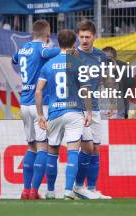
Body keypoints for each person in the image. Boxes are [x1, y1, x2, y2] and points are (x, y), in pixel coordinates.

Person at [35, 29, 92, 200]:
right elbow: (85, 89)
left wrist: (40, 115)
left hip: (55, 112)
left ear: (57, 43)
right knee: (73, 150)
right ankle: (68, 191)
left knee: (52, 150)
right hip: (74, 111)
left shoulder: (49, 64)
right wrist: (89, 111)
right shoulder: (78, 63)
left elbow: (38, 91)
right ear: (74, 43)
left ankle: (51, 191)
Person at [12, 20, 60, 200]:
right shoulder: (42, 49)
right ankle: (33, 190)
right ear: (47, 35)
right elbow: (58, 51)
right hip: (40, 104)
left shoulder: (23, 49)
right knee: (43, 147)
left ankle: (25, 190)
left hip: (24, 104)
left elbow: (14, 59)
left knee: (31, 146)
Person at [73, 21, 109, 200]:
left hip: (93, 108)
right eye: (82, 37)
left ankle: (92, 189)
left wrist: (112, 101)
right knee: (86, 147)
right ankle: (78, 186)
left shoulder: (101, 56)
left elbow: (106, 79)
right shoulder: (72, 55)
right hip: (76, 109)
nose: (85, 40)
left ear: (94, 37)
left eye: (88, 37)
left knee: (96, 149)